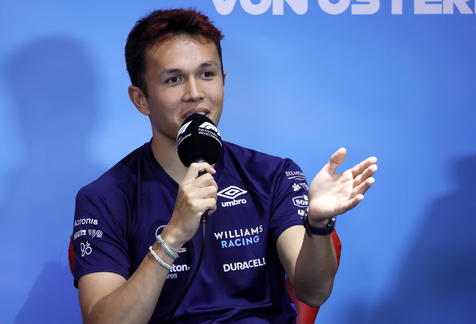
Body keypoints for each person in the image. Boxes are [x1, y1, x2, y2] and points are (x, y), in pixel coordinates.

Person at [70, 9, 377, 324]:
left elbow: (314, 292)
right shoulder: (104, 197)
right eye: (174, 79)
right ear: (141, 99)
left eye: (207, 74)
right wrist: (173, 236)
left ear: (223, 81)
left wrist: (319, 223)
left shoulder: (273, 176)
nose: (195, 93)